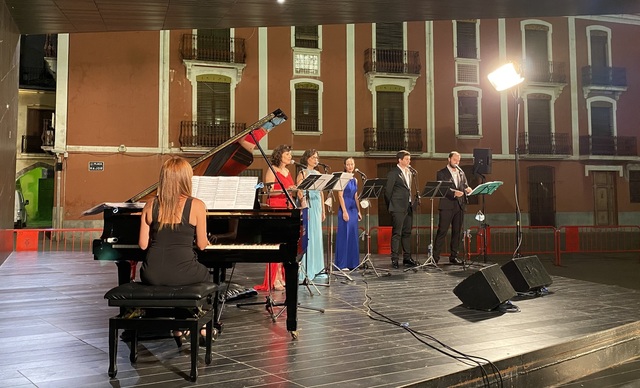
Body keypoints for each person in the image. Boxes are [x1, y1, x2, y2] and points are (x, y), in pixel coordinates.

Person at [138, 156, 212, 342]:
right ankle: (201, 325)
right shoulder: (196, 205)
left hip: (151, 273)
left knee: (180, 274)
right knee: (205, 275)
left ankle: (179, 329)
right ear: (186, 179)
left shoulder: (150, 205)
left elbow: (142, 245)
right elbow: (202, 245)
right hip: (183, 272)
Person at [254, 144, 296, 291]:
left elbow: (291, 189)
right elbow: (268, 192)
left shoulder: (287, 171)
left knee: (284, 243)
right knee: (275, 243)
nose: (290, 156)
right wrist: (285, 190)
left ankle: (281, 275)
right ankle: (274, 278)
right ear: (280, 156)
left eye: (290, 154)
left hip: (287, 207)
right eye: (287, 154)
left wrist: (294, 190)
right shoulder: (272, 170)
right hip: (276, 207)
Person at [432, 151, 473, 265]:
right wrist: (454, 193)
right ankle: (435, 258)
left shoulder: (461, 172)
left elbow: (464, 185)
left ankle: (453, 256)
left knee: (457, 232)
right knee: (442, 231)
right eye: (455, 160)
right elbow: (442, 188)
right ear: (449, 159)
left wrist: (467, 189)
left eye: (458, 160)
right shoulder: (441, 173)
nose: (457, 162)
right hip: (446, 205)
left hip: (459, 206)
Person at [385, 150, 418, 269]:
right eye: (407, 159)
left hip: (408, 206)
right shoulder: (393, 173)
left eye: (409, 159)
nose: (409, 161)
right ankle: (394, 259)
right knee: (397, 233)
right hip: (397, 207)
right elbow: (388, 192)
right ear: (400, 160)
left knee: (407, 232)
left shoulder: (409, 172)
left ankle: (407, 258)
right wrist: (391, 205)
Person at [297, 149, 326, 281]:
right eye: (313, 157)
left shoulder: (318, 173)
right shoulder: (302, 173)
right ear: (307, 158)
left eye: (317, 158)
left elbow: (321, 193)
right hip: (308, 205)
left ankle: (317, 268)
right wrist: (304, 208)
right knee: (308, 236)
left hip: (317, 205)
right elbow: (299, 191)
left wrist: (323, 210)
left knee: (317, 236)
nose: (316, 160)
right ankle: (307, 269)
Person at [334, 157, 362, 270]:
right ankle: (342, 264)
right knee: (344, 236)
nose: (350, 166)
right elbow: (340, 195)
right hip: (345, 209)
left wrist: (359, 210)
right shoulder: (342, 178)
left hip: (353, 210)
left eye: (352, 164)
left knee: (353, 236)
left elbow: (355, 196)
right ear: (345, 166)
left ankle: (352, 263)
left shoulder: (355, 180)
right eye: (348, 164)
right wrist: (344, 211)